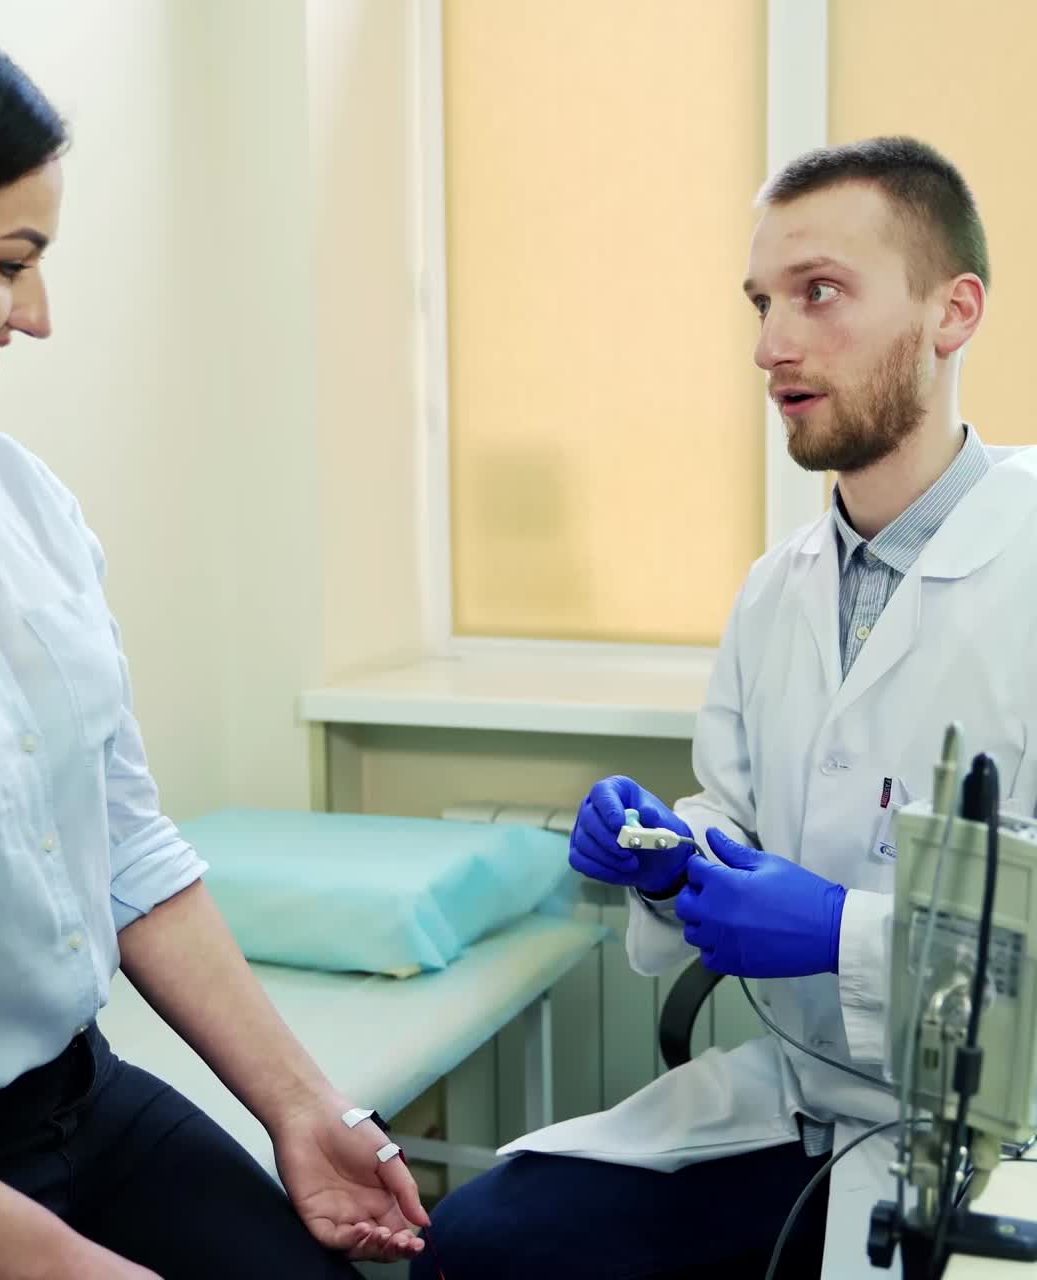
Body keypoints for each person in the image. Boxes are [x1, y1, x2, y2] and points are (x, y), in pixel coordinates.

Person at [0, 4, 428, 1276]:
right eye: (9, 262)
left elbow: (123, 842)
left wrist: (302, 1103)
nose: (40, 313)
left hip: (82, 1099)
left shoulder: (21, 501)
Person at [413, 136, 1037, 1278]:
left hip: (1005, 1139)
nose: (769, 345)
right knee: (477, 1243)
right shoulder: (775, 587)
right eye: (760, 301)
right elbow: (744, 815)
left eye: (818, 293)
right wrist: (671, 846)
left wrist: (838, 930)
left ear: (953, 312)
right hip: (794, 1103)